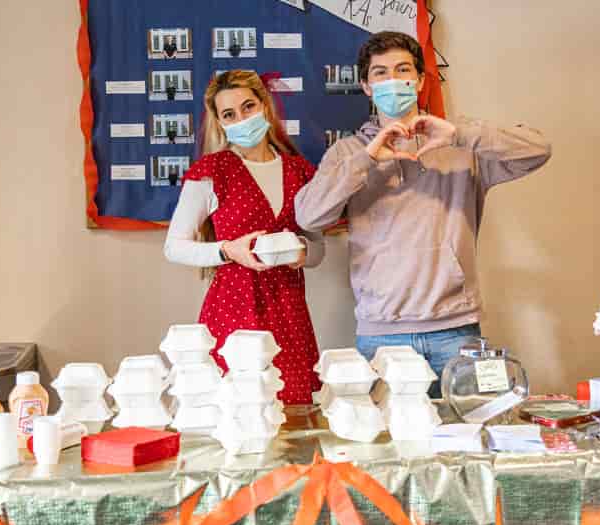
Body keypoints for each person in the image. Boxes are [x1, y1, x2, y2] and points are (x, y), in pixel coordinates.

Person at [294, 32, 552, 398]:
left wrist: (460, 134)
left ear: (419, 80)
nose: (393, 80)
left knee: (467, 440)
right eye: (380, 73)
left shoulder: (460, 145)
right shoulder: (347, 153)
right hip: (381, 337)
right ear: (366, 86)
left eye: (403, 70)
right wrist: (366, 159)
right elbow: (308, 217)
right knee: (387, 449)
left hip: (457, 333)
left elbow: (539, 150)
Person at [164, 70, 325, 404]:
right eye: (229, 114)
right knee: (237, 413)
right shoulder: (212, 170)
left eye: (248, 107)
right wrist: (227, 251)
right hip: (232, 311)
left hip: (290, 311)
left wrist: (302, 252)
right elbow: (174, 247)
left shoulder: (300, 171)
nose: (241, 118)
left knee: (294, 411)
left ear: (265, 106)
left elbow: (319, 249)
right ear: (220, 122)